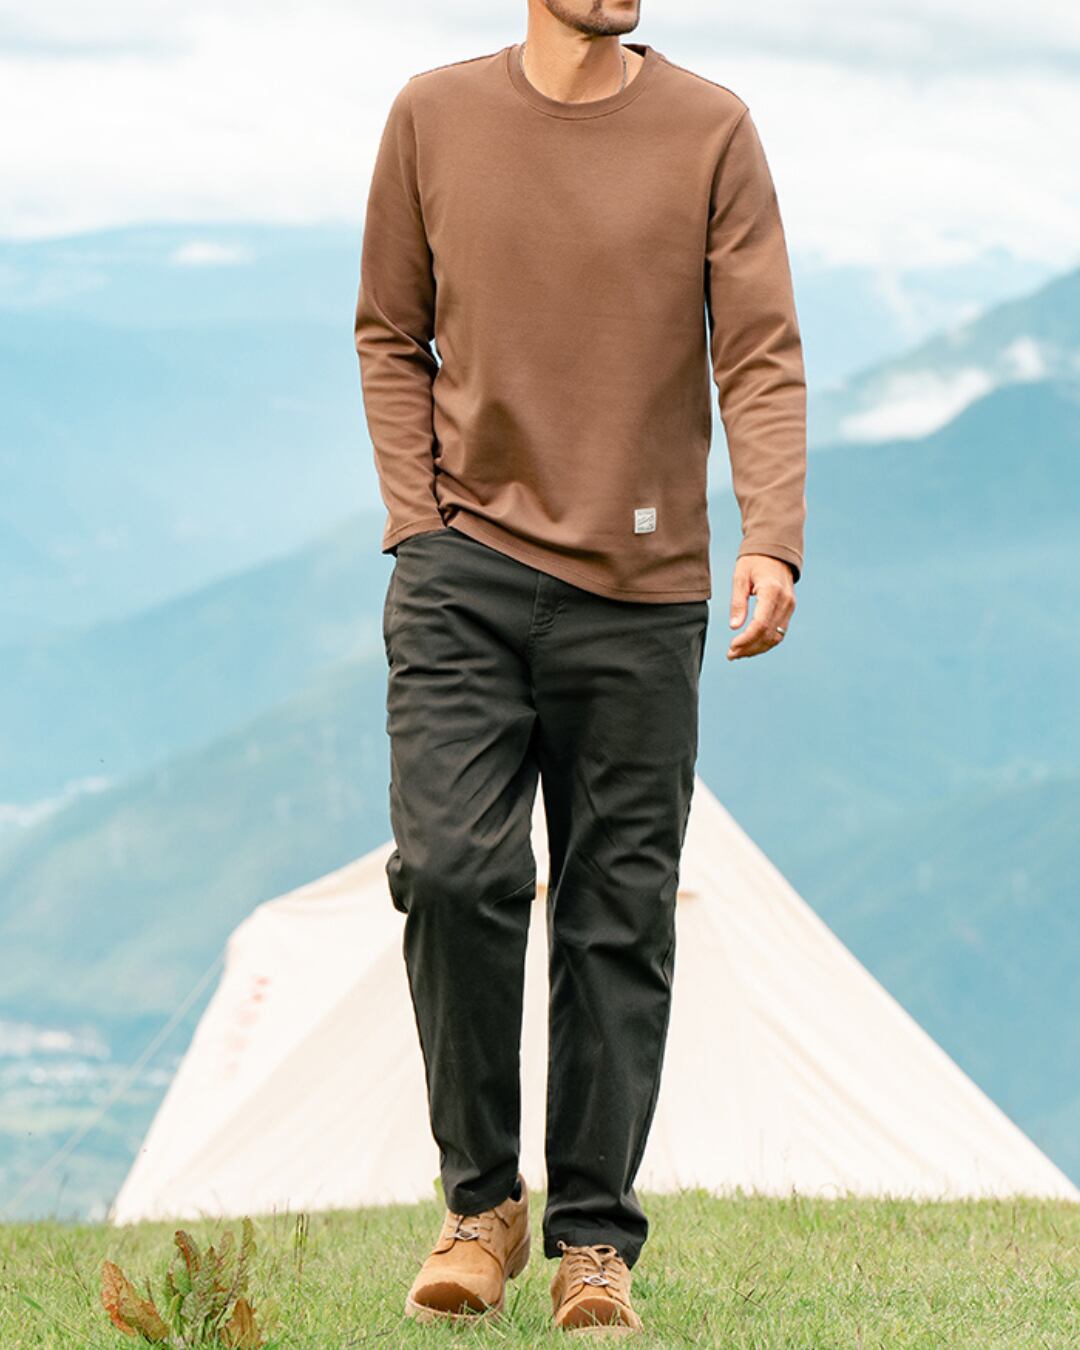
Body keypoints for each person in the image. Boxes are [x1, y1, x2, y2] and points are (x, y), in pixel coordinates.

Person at [354, 0, 806, 1335]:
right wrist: (417, 519)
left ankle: (593, 1240)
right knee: (453, 871)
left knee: (619, 913)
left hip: (645, 594)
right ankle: (480, 1203)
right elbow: (388, 330)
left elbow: (759, 351)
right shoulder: (432, 116)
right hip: (463, 574)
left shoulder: (712, 128)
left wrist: (771, 535)